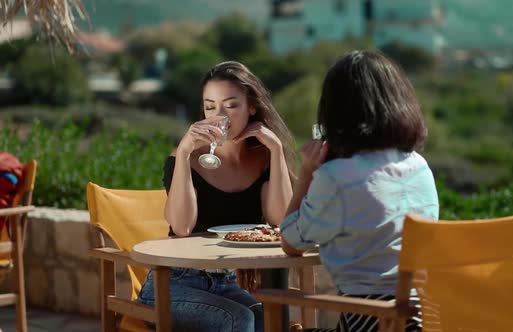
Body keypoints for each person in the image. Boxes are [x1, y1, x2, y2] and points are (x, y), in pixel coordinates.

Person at [280, 50, 439, 332]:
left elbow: (291, 243)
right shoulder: (420, 167)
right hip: (425, 316)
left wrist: (306, 172)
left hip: (370, 318)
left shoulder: (337, 177)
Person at [138, 61, 295, 332]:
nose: (219, 116)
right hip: (171, 286)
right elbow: (181, 227)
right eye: (210, 107)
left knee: (269, 318)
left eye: (231, 106)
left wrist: (277, 150)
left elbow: (280, 221)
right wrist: (185, 153)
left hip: (226, 284)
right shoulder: (188, 158)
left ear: (252, 107)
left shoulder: (264, 159)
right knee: (239, 319)